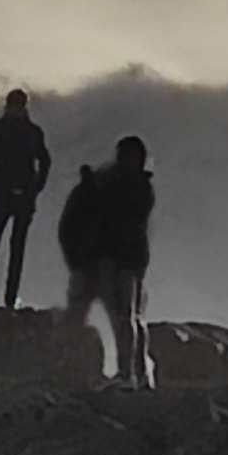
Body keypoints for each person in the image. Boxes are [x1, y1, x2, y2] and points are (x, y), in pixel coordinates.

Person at [60, 134, 155, 387]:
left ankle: (131, 374)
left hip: (122, 261)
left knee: (126, 317)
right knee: (125, 317)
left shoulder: (135, 188)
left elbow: (121, 220)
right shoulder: (126, 186)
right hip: (113, 260)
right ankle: (136, 373)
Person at [0, 89, 51, 309]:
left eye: (19, 105)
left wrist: (36, 188)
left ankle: (11, 297)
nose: (15, 109)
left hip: (25, 196)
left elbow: (44, 161)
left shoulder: (33, 132)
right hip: (3, 195)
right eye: (13, 105)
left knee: (17, 248)